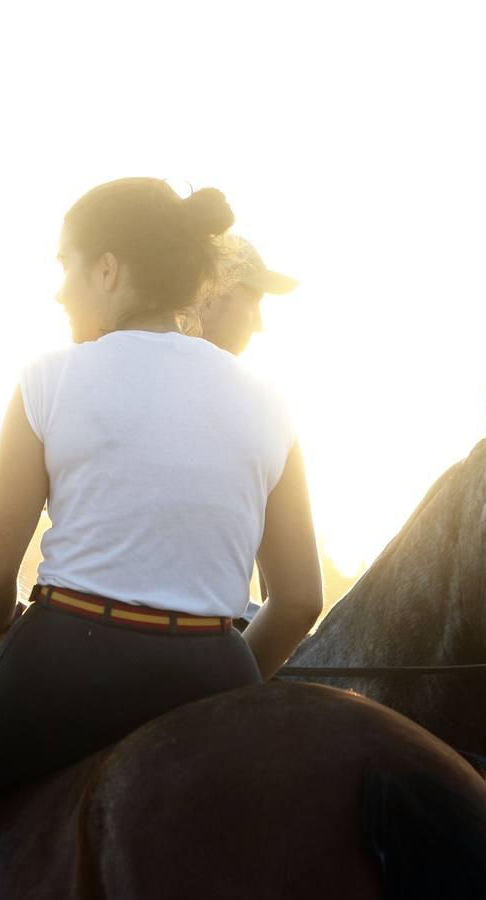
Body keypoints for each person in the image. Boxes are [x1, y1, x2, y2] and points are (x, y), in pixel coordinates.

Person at [0, 178, 323, 898]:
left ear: (109, 269)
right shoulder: (270, 402)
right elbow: (297, 600)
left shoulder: (50, 380)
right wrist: (219, 678)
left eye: (65, 266)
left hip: (67, 670)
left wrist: (11, 631)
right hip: (212, 677)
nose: (60, 291)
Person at [195, 233, 298, 627]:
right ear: (207, 295)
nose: (259, 324)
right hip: (214, 645)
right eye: (253, 301)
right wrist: (241, 683)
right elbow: (297, 599)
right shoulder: (258, 409)